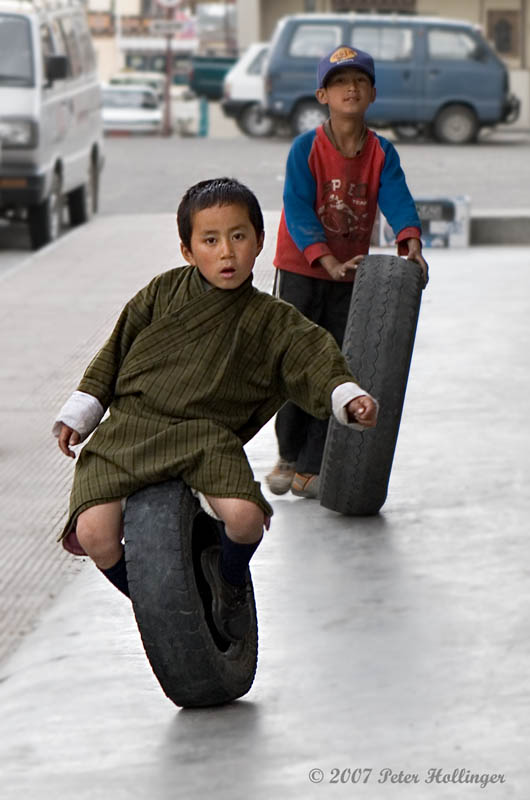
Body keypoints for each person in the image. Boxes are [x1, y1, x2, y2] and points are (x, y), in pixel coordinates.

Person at [53, 177, 377, 643]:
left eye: (239, 236)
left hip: (206, 439)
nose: (227, 253)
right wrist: (80, 414)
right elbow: (115, 351)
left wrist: (348, 395)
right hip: (128, 432)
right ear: (187, 250)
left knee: (245, 520)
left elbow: (312, 357)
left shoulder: (271, 318)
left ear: (260, 242)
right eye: (210, 240)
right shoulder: (161, 294)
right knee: (95, 536)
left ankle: (227, 583)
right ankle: (167, 605)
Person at [267, 45, 428, 500]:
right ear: (323, 94)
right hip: (302, 269)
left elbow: (396, 197)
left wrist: (409, 239)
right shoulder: (306, 149)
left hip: (349, 275)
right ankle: (287, 453)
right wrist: (324, 257)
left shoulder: (381, 152)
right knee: (296, 363)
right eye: (339, 82)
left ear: (372, 93)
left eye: (359, 81)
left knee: (336, 365)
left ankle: (312, 466)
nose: (350, 89)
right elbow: (297, 207)